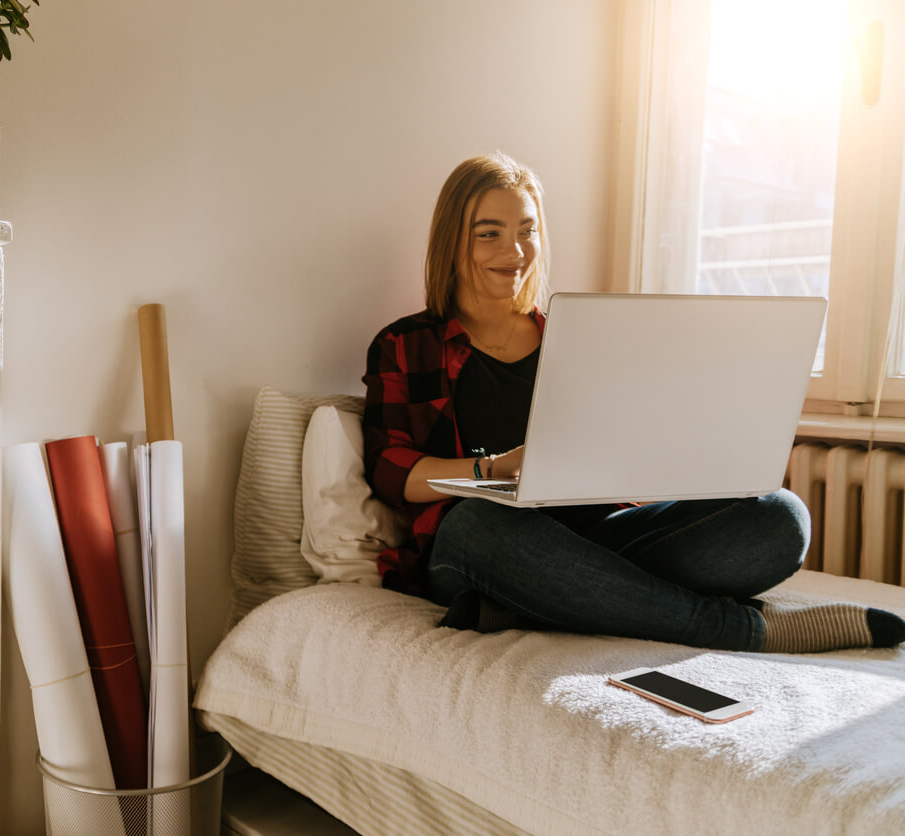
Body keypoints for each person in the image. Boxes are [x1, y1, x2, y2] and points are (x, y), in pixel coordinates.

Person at [362, 151, 905, 653]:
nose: (515, 251)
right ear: (452, 241)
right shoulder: (406, 345)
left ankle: (528, 607)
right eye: (490, 234)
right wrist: (492, 470)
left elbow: (622, 451)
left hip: (597, 537)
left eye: (527, 231)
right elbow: (391, 470)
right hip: (484, 547)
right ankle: (738, 628)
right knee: (476, 525)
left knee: (780, 516)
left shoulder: (578, 338)